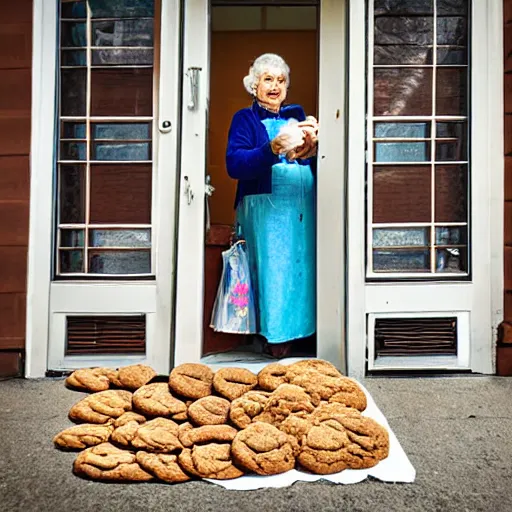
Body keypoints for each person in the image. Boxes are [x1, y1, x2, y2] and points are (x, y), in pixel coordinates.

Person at [225, 53, 318, 358]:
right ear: (254, 86)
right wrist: (271, 148)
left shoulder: (298, 114)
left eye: (280, 80)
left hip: (304, 209)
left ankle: (308, 333)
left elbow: (315, 157)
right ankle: (276, 337)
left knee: (304, 268)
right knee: (276, 270)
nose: (275, 86)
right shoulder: (245, 118)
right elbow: (235, 164)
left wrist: (313, 145)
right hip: (268, 210)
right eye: (268, 79)